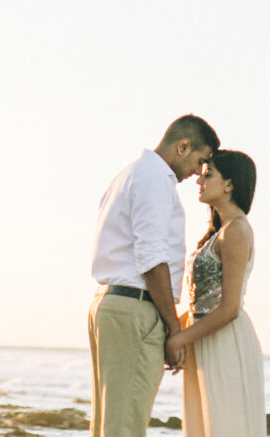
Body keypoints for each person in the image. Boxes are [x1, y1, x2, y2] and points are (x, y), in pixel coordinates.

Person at [88, 114, 219, 437]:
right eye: (199, 161)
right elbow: (152, 259)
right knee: (124, 427)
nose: (196, 174)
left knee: (109, 424)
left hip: (111, 304)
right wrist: (173, 327)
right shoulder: (156, 179)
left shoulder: (129, 174)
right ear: (183, 146)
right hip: (135, 308)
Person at [168, 149, 264, 437]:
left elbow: (229, 307)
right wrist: (175, 331)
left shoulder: (235, 231)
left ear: (230, 185)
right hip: (203, 337)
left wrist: (180, 338)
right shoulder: (216, 232)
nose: (199, 181)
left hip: (225, 340)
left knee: (225, 426)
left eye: (208, 175)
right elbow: (200, 299)